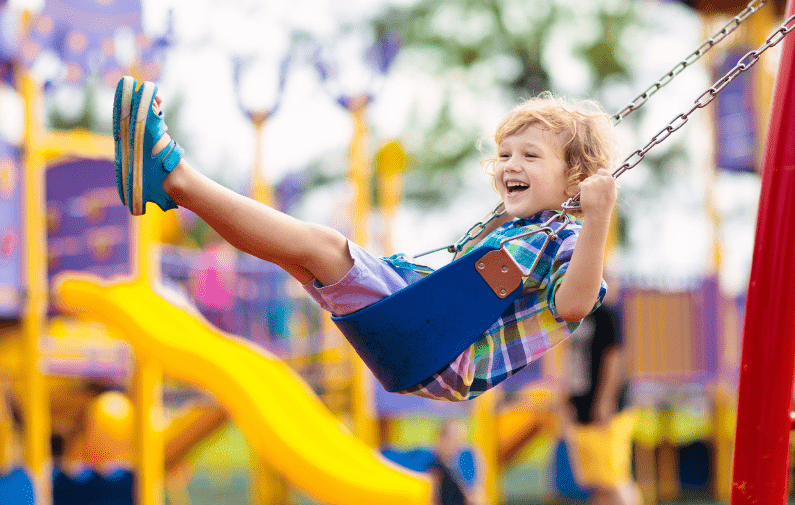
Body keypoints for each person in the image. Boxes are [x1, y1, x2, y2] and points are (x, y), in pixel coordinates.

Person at [112, 76, 619, 401]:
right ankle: (168, 188)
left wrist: (597, 219)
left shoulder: (568, 239)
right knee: (297, 254)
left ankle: (174, 175)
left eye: (531, 156)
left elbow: (574, 305)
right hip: (421, 332)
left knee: (320, 246)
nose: (511, 164)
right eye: (505, 154)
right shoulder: (516, 231)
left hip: (440, 348)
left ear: (576, 180)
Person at [563, 297, 642, 505]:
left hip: (605, 410)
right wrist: (566, 399)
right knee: (597, 483)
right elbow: (572, 360)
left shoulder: (607, 314)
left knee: (615, 478)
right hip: (581, 405)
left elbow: (615, 356)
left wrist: (605, 400)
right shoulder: (574, 317)